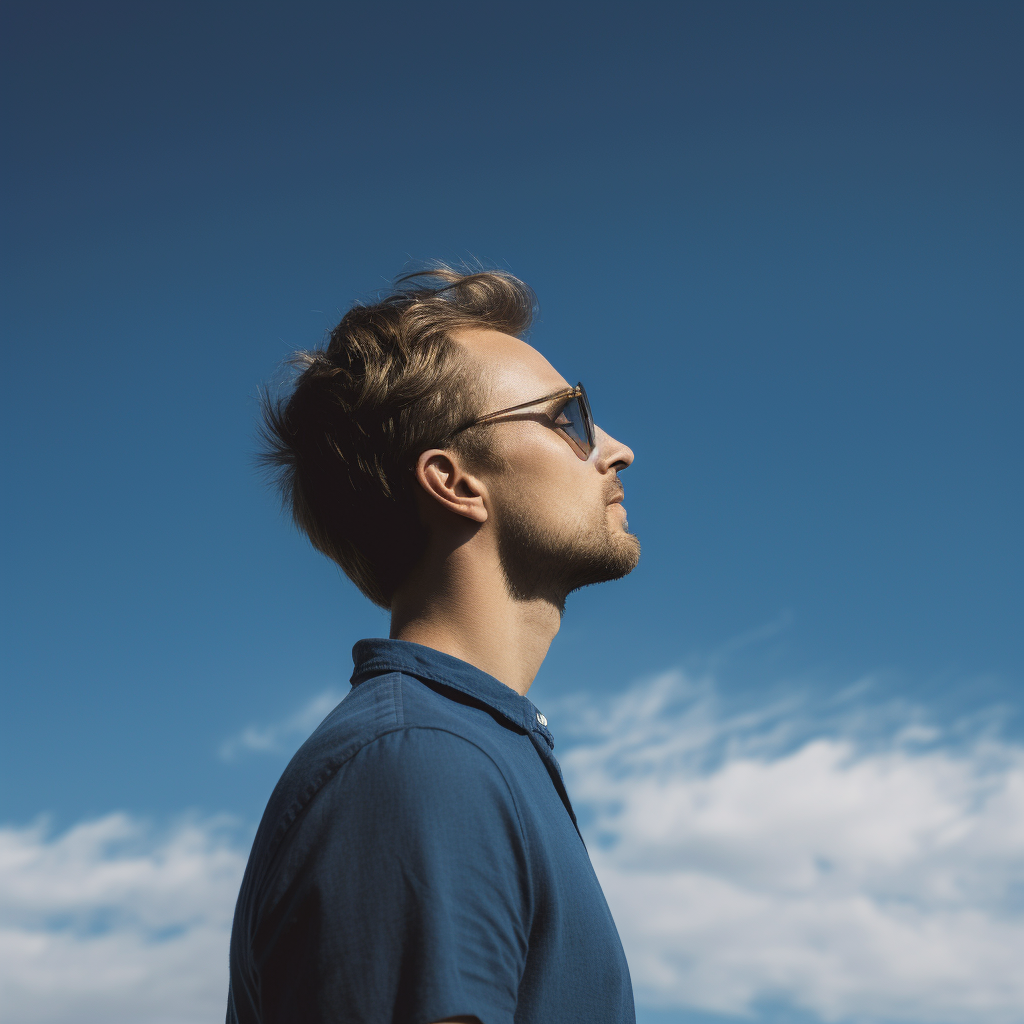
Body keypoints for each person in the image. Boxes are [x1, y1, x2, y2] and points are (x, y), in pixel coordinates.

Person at [227, 267, 640, 1024]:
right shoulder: (421, 762)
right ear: (454, 482)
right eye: (567, 418)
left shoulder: (469, 752)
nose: (615, 450)